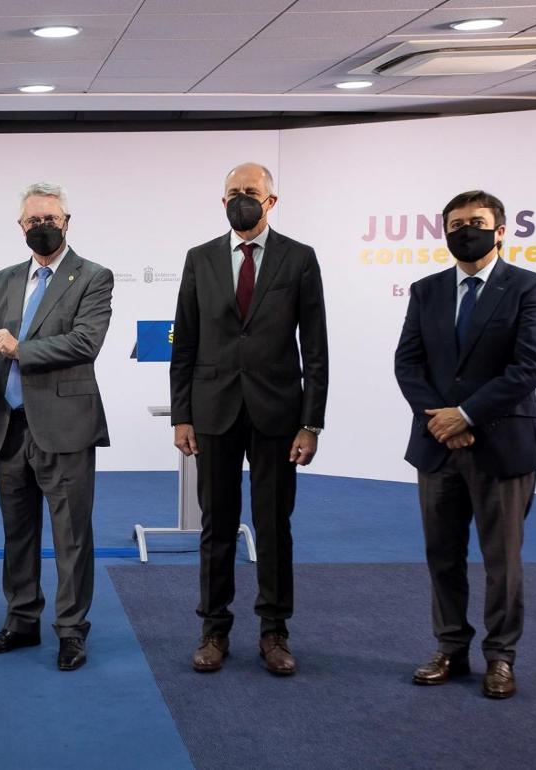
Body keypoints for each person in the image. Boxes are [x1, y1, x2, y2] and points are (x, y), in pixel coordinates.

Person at [169, 162, 328, 676]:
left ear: (271, 201)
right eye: (234, 192)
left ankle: (274, 630)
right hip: (212, 411)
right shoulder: (199, 258)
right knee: (216, 525)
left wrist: (311, 423)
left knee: (273, 525)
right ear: (222, 202)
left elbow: (316, 349)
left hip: (278, 414)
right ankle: (214, 629)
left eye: (251, 191)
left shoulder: (299, 258)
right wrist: (181, 416)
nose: (242, 198)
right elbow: (185, 342)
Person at [395, 190, 536, 700]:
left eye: (478, 222)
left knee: (501, 559)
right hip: (437, 446)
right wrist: (442, 422)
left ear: (501, 231)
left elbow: (531, 365)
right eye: (456, 223)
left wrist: (465, 415)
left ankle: (501, 657)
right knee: (442, 555)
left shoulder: (531, 287)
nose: (467, 230)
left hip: (503, 445)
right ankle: (450, 647)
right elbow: (408, 363)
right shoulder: (426, 291)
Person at [0, 182, 113, 672]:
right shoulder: (3, 279)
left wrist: (20, 348)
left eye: (50, 219)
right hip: (9, 425)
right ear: (20, 226)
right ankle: (21, 621)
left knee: (71, 537)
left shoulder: (94, 276)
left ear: (67, 222)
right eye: (33, 221)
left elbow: (85, 342)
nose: (42, 227)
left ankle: (71, 630)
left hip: (65, 427)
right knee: (17, 535)